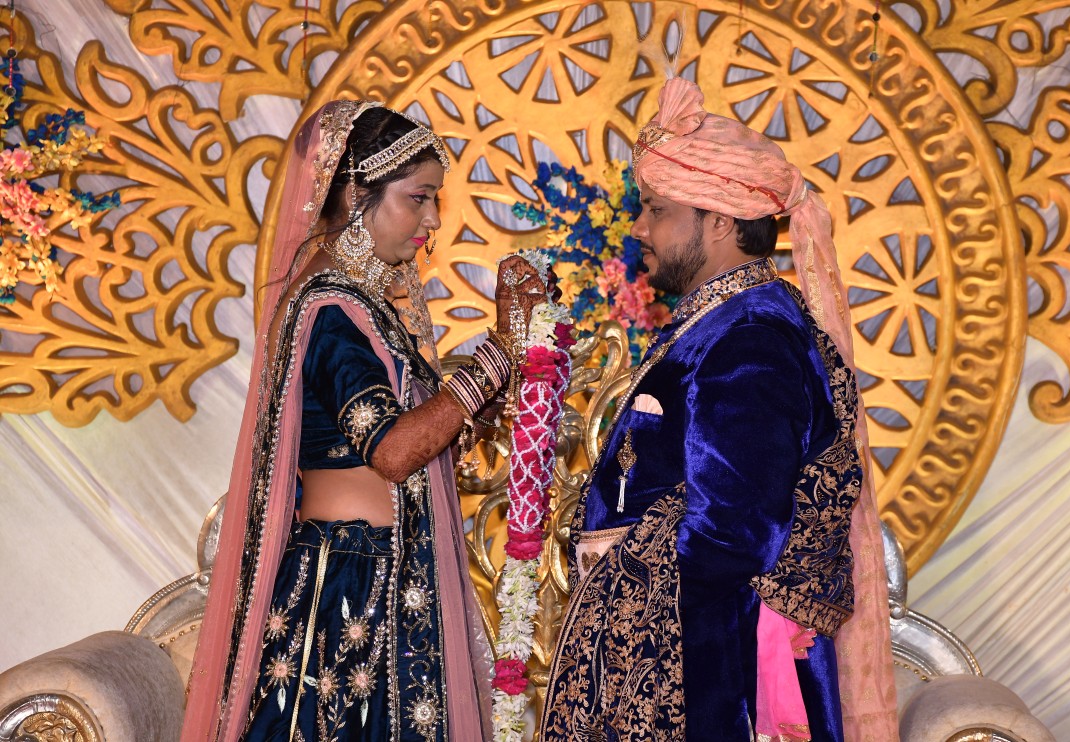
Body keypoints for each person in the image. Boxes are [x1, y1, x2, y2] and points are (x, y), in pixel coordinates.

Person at [540, 79, 899, 741]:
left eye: (657, 210)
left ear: (722, 221)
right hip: (689, 655)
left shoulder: (751, 336)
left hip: (713, 676)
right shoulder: (723, 321)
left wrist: (623, 581)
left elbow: (735, 533)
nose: (640, 229)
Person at [181, 101, 547, 741]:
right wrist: (497, 356)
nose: (433, 219)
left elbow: (417, 434)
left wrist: (500, 380)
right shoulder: (331, 307)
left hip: (377, 570)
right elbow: (392, 452)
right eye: (419, 198)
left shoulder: (359, 305)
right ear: (356, 194)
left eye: (435, 200)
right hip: (350, 583)